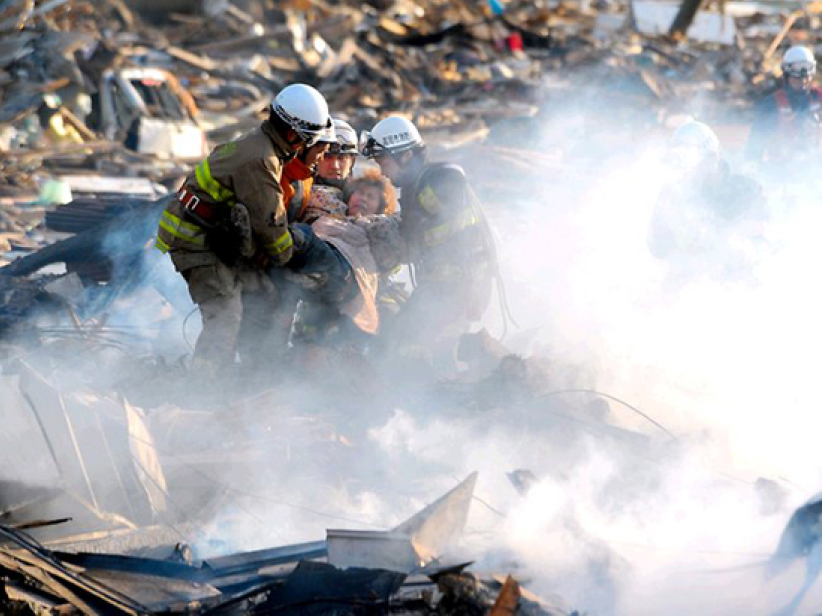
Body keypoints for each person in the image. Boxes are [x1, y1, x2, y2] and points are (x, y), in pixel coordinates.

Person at [155, 83, 331, 384]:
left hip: (215, 238)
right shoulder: (261, 161)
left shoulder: (261, 143)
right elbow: (273, 231)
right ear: (293, 134)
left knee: (264, 298)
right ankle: (202, 388)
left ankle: (252, 378)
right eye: (308, 140)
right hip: (195, 242)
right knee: (225, 316)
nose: (306, 148)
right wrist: (302, 246)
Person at [361, 116, 497, 375]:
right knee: (421, 346)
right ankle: (446, 387)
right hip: (441, 288)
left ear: (406, 155)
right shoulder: (416, 187)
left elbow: (453, 185)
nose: (382, 172)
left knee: (403, 344)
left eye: (384, 162)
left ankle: (427, 397)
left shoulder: (436, 180)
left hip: (456, 288)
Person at [650, 121, 768, 282]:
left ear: (714, 156)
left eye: (704, 160)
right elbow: (658, 248)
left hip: (735, 282)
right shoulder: (672, 195)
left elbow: (762, 244)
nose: (692, 170)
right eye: (682, 161)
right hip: (688, 284)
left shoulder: (747, 190)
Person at [746, 46, 822, 164]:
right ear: (786, 74)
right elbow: (755, 143)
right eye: (796, 78)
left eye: (805, 78)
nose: (802, 82)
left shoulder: (819, 98)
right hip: (782, 172)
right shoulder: (772, 104)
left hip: (814, 171)